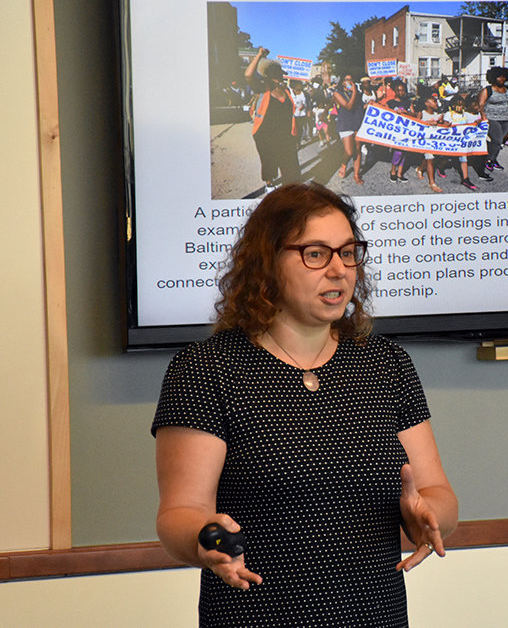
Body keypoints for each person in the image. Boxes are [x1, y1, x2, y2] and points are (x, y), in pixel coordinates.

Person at [153, 183, 458, 627]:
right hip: (256, 616)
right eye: (316, 254)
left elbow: (437, 497)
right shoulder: (206, 370)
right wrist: (205, 538)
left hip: (375, 616)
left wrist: (431, 517)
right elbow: (179, 515)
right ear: (267, 263)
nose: (339, 270)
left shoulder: (386, 364)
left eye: (348, 252)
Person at [244, 48, 301, 195]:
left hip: (285, 135)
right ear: (268, 76)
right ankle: (269, 185)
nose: (279, 77)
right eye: (275, 74)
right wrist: (259, 55)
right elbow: (248, 75)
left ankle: (290, 189)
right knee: (269, 162)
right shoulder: (263, 88)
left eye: (280, 74)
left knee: (290, 166)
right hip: (265, 134)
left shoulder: (286, 90)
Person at [477, 66, 508, 173]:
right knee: (497, 140)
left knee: (499, 141)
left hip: (506, 119)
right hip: (492, 119)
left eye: (504, 77)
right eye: (499, 77)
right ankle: (489, 160)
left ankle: (491, 158)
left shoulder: (507, 90)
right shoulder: (487, 90)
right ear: (493, 77)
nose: (502, 79)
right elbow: (481, 104)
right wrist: (484, 116)